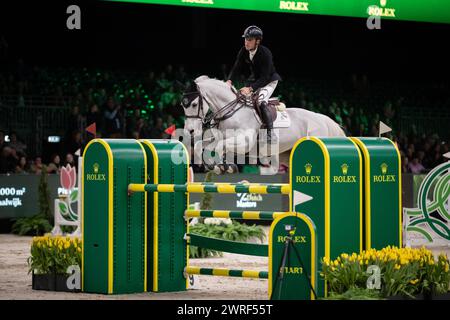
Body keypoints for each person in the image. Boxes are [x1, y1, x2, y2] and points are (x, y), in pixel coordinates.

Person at [227, 25, 282, 142]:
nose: (246, 42)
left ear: (257, 41)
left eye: (250, 40)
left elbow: (265, 77)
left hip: (269, 81)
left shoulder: (265, 53)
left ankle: (270, 133)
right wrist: (229, 80)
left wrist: (250, 89)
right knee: (240, 99)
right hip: (255, 80)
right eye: (245, 39)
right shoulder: (243, 51)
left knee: (261, 101)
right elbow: (236, 67)